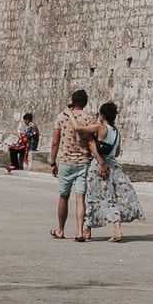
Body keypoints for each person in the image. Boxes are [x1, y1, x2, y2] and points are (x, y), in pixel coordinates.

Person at [82, 101, 143, 242]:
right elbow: (117, 152)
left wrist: (70, 115)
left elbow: (80, 129)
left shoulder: (101, 127)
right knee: (112, 197)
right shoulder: (117, 132)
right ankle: (106, 230)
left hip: (99, 165)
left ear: (102, 115)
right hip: (114, 166)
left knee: (94, 197)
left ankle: (97, 230)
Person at [49, 89, 104, 240]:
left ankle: (60, 229)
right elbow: (92, 141)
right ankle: (80, 231)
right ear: (85, 103)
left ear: (72, 101)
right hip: (83, 162)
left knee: (63, 197)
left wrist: (53, 163)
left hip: (66, 162)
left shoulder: (61, 117)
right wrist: (99, 160)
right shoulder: (88, 119)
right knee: (80, 197)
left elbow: (55, 142)